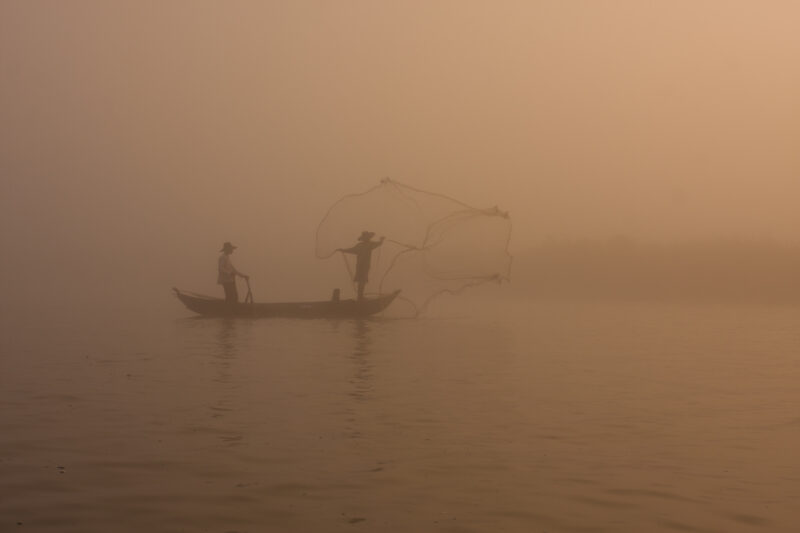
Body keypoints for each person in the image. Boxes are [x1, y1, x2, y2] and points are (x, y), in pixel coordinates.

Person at [338, 231, 385, 300]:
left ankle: (360, 296)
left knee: (362, 281)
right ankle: (360, 297)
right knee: (362, 280)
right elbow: (351, 250)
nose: (367, 239)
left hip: (362, 265)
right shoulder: (366, 245)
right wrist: (343, 250)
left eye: (367, 237)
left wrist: (381, 240)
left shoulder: (367, 245)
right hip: (362, 265)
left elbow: (379, 243)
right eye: (366, 238)